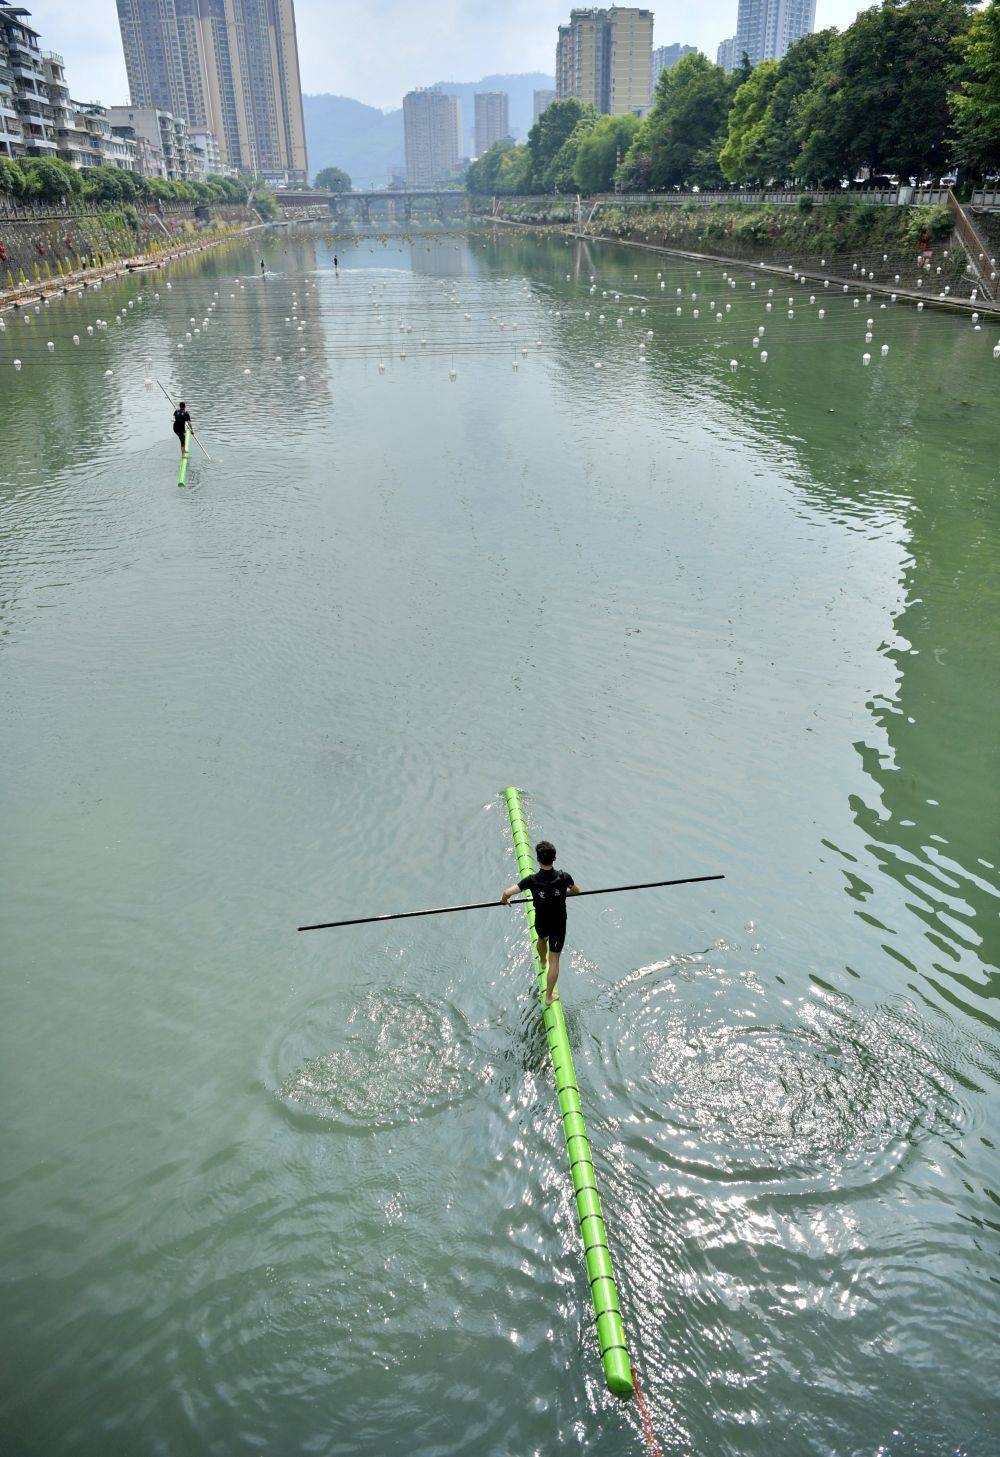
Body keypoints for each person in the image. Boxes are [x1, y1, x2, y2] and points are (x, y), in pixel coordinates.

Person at [502, 841, 579, 1006]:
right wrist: (565, 892)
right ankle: (549, 997)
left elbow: (507, 892)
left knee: (542, 939)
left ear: (538, 859)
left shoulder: (531, 880)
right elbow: (576, 890)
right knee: (555, 960)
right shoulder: (564, 877)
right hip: (559, 922)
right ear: (555, 858)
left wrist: (504, 900)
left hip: (541, 921)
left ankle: (542, 960)